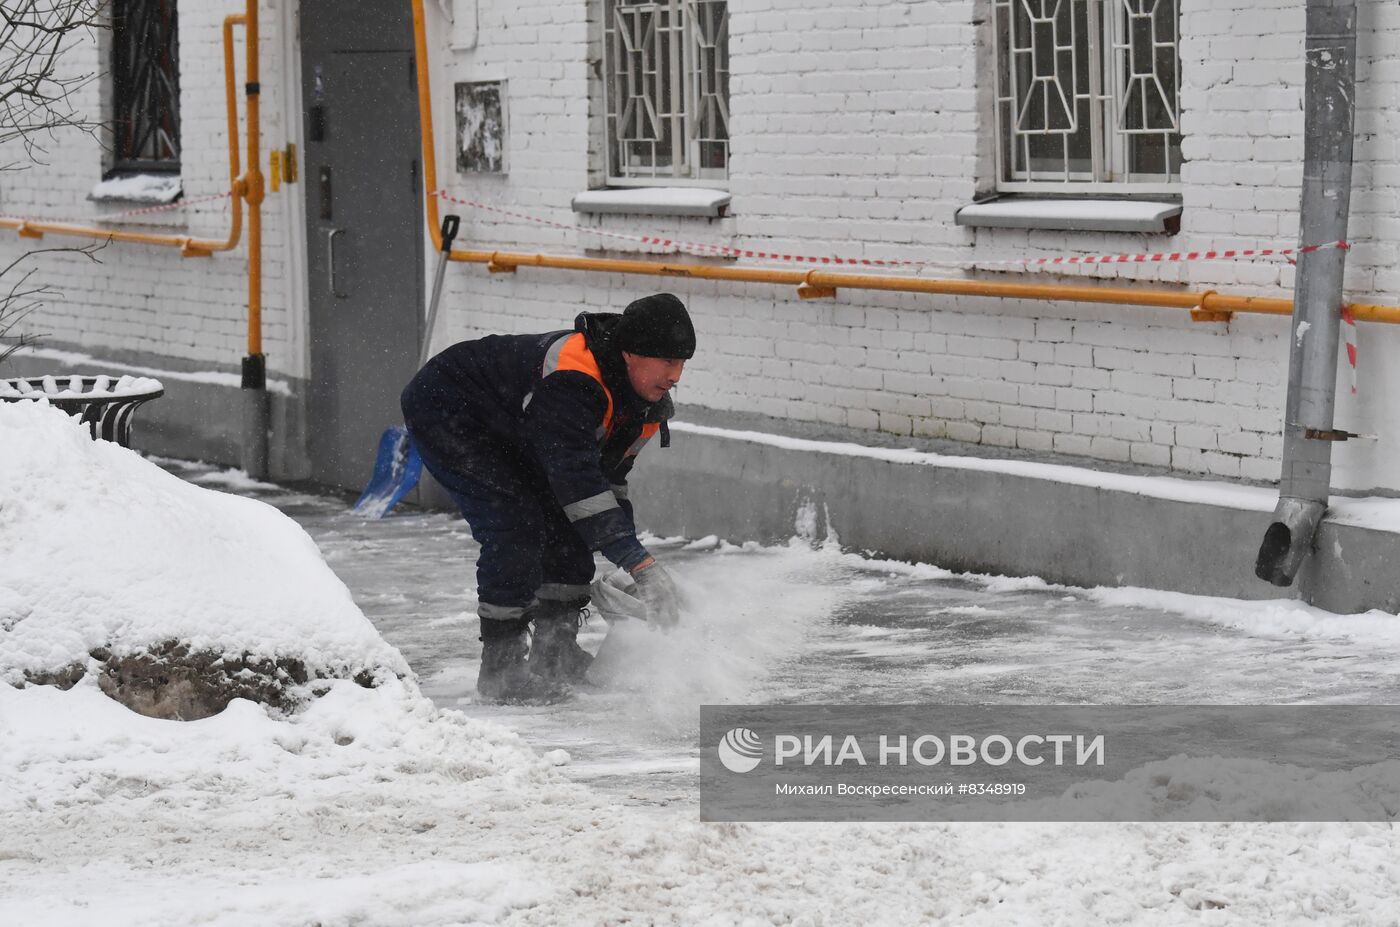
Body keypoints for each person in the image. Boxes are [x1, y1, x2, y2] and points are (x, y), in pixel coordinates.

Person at [400, 293, 694, 702]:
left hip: (517, 424)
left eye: (682, 364)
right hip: (451, 407)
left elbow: (605, 490)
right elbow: (578, 485)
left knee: (570, 525)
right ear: (631, 354)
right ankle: (501, 670)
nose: (676, 375)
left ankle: (554, 650)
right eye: (668, 362)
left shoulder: (645, 411)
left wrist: (630, 552)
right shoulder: (574, 381)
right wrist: (639, 564)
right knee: (513, 525)